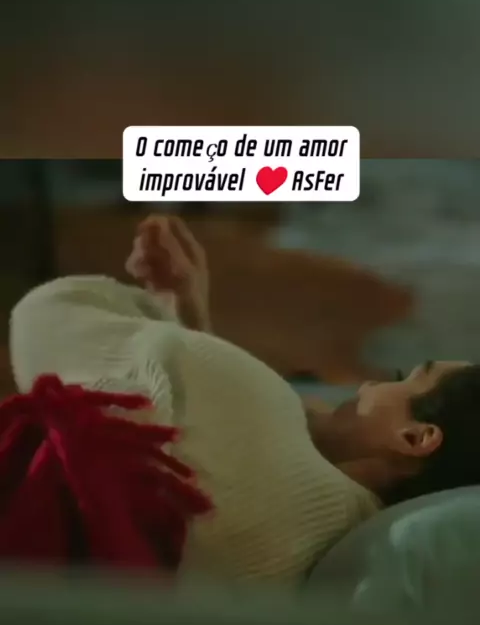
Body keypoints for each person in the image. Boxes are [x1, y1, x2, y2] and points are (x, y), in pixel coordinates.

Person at [5, 215, 480, 582]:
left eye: (404, 379)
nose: (367, 386)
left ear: (415, 437)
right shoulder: (327, 535)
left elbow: (48, 315)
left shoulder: (274, 428)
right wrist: (188, 317)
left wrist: (167, 322)